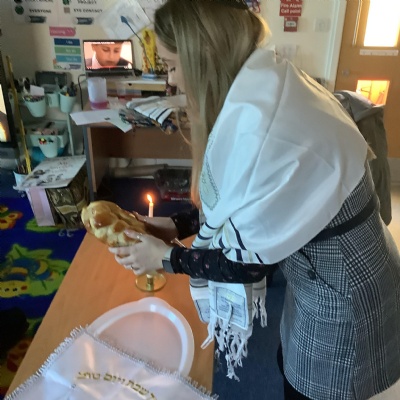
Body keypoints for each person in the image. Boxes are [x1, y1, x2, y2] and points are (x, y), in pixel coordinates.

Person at [108, 0, 400, 398]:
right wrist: (178, 224)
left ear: (203, 54)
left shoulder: (260, 123)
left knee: (313, 389)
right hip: (321, 276)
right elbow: (249, 201)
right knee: (290, 365)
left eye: (172, 65)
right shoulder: (264, 79)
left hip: (343, 292)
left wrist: (166, 258)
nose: (171, 81)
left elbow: (246, 264)